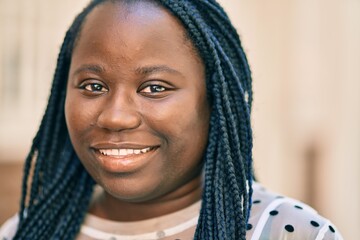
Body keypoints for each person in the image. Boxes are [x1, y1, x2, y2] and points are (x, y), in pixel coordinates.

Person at [0, 0, 343, 239]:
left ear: (214, 102)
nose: (115, 116)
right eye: (93, 86)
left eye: (154, 87)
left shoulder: (293, 232)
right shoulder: (27, 232)